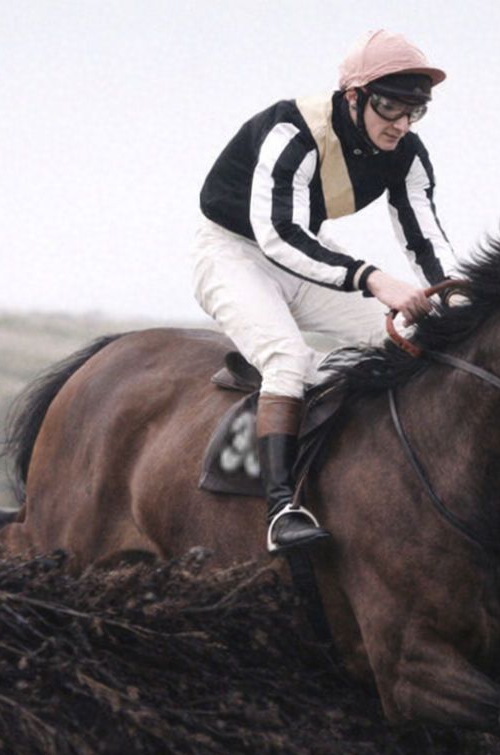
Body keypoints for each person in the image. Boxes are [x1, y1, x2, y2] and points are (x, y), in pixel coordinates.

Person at [193, 29, 461, 552]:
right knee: (288, 359)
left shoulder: (406, 152)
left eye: (414, 111)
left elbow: (425, 238)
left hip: (302, 254)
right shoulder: (291, 130)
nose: (401, 124)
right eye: (390, 107)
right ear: (354, 96)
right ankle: (280, 511)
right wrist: (372, 277)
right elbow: (278, 234)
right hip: (232, 251)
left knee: (409, 337)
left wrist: (455, 297)